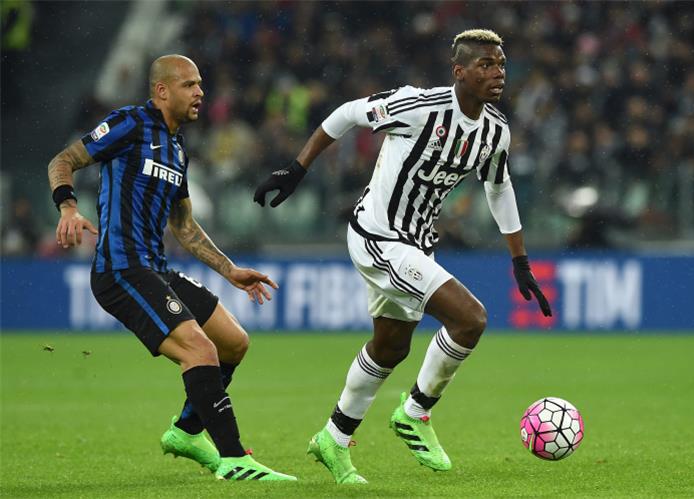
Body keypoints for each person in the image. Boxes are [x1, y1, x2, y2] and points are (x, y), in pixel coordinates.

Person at [254, 29, 551, 484]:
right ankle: (415, 412)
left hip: (417, 243)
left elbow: (498, 187)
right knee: (470, 319)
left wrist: (520, 260)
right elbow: (347, 113)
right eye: (486, 65)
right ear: (459, 71)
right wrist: (297, 169)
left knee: (391, 345)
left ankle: (333, 438)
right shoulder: (418, 106)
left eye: (501, 64)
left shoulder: (496, 131)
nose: (498, 73)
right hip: (377, 236)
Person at [47, 54, 296, 482]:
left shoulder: (178, 149)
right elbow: (62, 161)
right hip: (121, 269)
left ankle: (186, 431)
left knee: (233, 343)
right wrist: (68, 207)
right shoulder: (129, 124)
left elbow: (184, 225)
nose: (200, 92)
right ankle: (234, 458)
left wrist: (229, 270)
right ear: (162, 91)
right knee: (199, 349)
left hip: (156, 268)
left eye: (200, 84)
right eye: (190, 85)